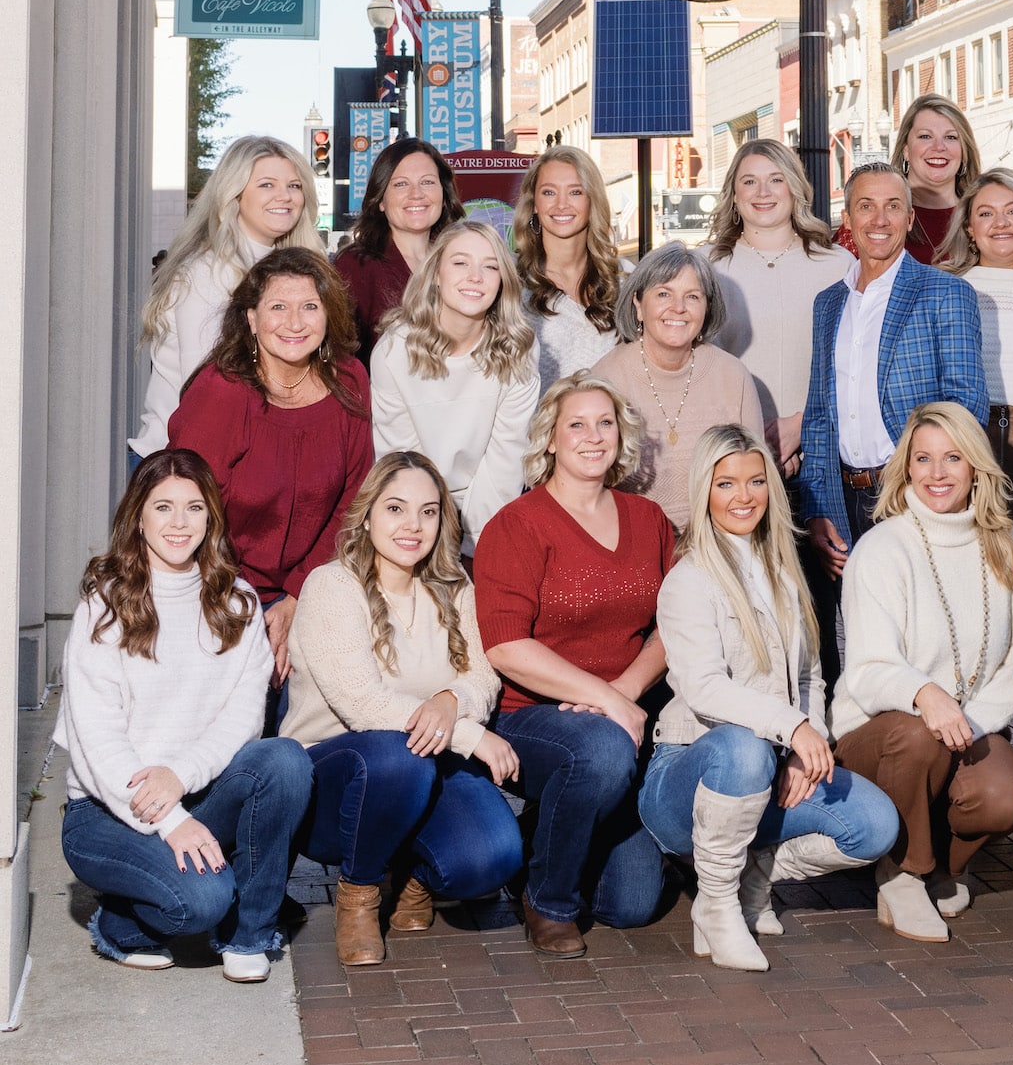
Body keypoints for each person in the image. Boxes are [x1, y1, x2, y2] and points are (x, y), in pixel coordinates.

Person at [639, 425, 898, 972]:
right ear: (703, 490)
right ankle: (716, 904)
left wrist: (809, 744)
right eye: (726, 483)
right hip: (687, 779)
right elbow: (704, 690)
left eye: (756, 481)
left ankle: (754, 871)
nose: (743, 496)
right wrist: (790, 730)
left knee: (874, 826)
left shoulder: (784, 570)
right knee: (743, 748)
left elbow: (810, 678)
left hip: (768, 770)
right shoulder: (689, 580)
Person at [55, 450, 309, 981]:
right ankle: (121, 923)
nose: (179, 523)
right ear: (138, 516)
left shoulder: (236, 602)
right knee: (201, 901)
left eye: (194, 508)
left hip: (196, 790)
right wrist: (171, 821)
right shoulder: (104, 607)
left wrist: (182, 779)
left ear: (211, 518)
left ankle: (249, 935)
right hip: (105, 810)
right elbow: (98, 743)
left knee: (283, 759)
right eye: (163, 507)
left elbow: (243, 720)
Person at [286, 453, 524, 963]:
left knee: (492, 857)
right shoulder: (332, 586)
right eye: (395, 509)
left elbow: (482, 674)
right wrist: (468, 734)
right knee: (396, 756)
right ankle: (359, 894)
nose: (412, 526)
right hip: (336, 780)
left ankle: (413, 873)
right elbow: (363, 705)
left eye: (428, 511)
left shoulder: (454, 585)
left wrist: (449, 700)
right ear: (367, 514)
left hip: (429, 763)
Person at [472, 373, 673, 953]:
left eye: (604, 423)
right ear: (551, 440)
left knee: (630, 908)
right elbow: (506, 646)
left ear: (621, 435)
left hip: (622, 717)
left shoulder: (648, 519)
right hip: (531, 716)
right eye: (576, 425)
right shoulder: (516, 525)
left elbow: (673, 623)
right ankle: (547, 899)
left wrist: (625, 692)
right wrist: (607, 702)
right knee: (603, 751)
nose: (592, 436)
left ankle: (549, 827)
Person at [833, 403, 1013, 940]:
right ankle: (900, 874)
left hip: (961, 726)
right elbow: (869, 671)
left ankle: (942, 863)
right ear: (906, 468)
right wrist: (927, 695)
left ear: (976, 468)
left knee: (1004, 796)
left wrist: (968, 723)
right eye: (923, 459)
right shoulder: (882, 549)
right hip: (878, 737)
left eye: (952, 458)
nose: (937, 473)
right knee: (919, 734)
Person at [167, 252, 375, 683]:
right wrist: (244, 610)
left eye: (310, 307)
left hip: (312, 586)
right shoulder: (222, 391)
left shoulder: (350, 381)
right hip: (217, 589)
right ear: (251, 319)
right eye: (278, 307)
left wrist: (299, 597)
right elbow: (184, 514)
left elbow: (353, 505)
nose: (295, 322)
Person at [798, 162, 987, 581]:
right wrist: (817, 508)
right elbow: (817, 415)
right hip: (844, 501)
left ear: (910, 217)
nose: (880, 220)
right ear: (847, 218)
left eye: (893, 206)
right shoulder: (827, 304)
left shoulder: (946, 292)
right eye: (866, 206)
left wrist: (933, 483)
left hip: (917, 494)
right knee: (858, 633)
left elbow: (967, 406)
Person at [133, 136, 322, 456]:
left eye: (294, 185)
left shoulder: (293, 270)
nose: (285, 196)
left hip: (249, 459)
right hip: (183, 468)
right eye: (266, 185)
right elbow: (207, 393)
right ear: (234, 195)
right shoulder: (207, 273)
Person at [369, 219, 539, 549]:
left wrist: (476, 551)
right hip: (416, 518)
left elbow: (504, 464)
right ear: (435, 274)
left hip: (491, 514)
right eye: (460, 262)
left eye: (490, 267)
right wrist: (435, 544)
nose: (475, 277)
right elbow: (402, 465)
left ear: (502, 281)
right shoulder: (393, 352)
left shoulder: (521, 348)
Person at [706, 137, 844, 477]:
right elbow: (696, 368)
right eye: (749, 181)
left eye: (776, 179)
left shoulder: (839, 266)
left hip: (822, 453)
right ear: (734, 195)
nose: (762, 192)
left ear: (794, 188)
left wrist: (800, 426)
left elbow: (854, 367)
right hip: (732, 455)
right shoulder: (705, 266)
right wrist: (751, 439)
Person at [601, 240, 762, 529]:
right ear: (637, 304)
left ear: (707, 308)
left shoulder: (733, 376)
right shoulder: (605, 380)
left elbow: (754, 485)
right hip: (630, 548)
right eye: (663, 294)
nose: (678, 308)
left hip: (717, 546)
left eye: (692, 297)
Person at [948, 167, 1013, 520]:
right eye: (985, 213)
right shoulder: (946, 288)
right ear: (969, 228)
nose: (1001, 223)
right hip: (969, 440)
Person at [334, 137, 465, 355]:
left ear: (444, 195)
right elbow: (343, 358)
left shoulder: (463, 260)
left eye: (427, 182)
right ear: (381, 200)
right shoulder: (356, 266)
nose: (416, 194)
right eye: (401, 184)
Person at [512, 145, 627, 390]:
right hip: (533, 426)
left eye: (575, 192)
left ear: (592, 199)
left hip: (608, 425)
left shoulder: (624, 278)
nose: (561, 204)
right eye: (549, 192)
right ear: (534, 204)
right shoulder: (510, 280)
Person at [893, 91, 982, 268]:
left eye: (950, 137)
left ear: (964, 151)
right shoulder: (878, 218)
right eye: (925, 136)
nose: (939, 147)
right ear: (905, 150)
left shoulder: (984, 216)